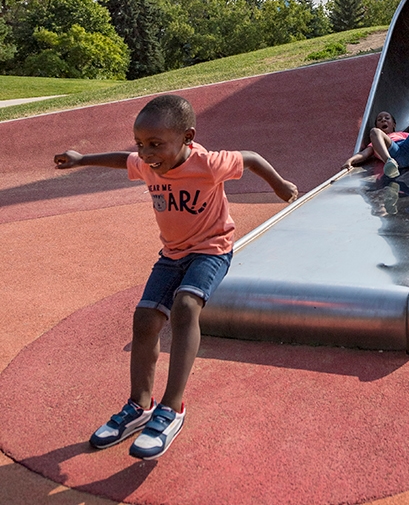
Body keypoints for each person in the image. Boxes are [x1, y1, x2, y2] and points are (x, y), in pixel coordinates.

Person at [54, 94, 298, 460]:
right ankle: (139, 405)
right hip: (172, 253)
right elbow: (125, 161)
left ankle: (171, 408)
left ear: (187, 137)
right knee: (144, 319)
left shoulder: (209, 164)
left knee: (186, 307)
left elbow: (251, 158)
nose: (147, 153)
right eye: (141, 143)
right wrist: (81, 160)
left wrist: (278, 184)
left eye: (155, 144)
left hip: (212, 248)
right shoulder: (149, 163)